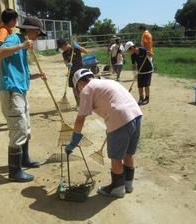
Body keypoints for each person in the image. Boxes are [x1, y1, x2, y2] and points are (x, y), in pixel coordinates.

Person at [65, 68, 143, 198]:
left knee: (116, 157)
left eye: (77, 87)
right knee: (128, 153)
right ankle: (128, 184)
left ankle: (117, 188)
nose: (78, 90)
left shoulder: (87, 89)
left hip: (120, 119)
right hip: (136, 115)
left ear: (79, 83)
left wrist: (74, 140)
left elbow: (80, 119)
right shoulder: (106, 82)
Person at [0, 15, 47, 182]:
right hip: (11, 92)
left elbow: (20, 72)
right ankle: (14, 171)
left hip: (21, 91)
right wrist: (22, 45)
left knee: (26, 128)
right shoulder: (13, 38)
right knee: (18, 130)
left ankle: (24, 159)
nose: (38, 37)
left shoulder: (24, 47)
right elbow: (0, 53)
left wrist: (36, 75)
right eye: (38, 33)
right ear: (31, 30)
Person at [56, 39, 88, 108]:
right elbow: (65, 62)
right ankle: (78, 104)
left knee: (81, 87)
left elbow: (86, 52)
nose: (61, 49)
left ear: (65, 44)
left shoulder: (75, 49)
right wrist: (67, 64)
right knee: (74, 88)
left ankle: (85, 103)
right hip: (71, 71)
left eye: (61, 47)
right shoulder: (64, 53)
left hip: (79, 71)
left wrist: (78, 46)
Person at [125, 41, 154, 105]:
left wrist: (149, 53)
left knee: (146, 85)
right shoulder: (133, 55)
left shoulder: (143, 50)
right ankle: (141, 98)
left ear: (132, 48)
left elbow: (152, 55)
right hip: (140, 71)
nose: (129, 52)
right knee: (140, 85)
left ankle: (147, 98)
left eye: (128, 50)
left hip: (148, 69)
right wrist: (134, 74)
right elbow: (133, 65)